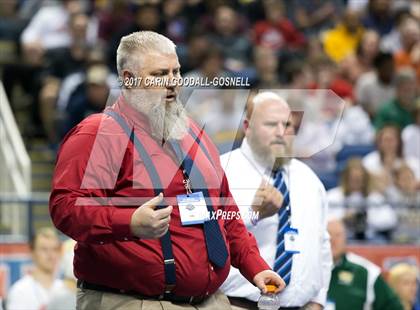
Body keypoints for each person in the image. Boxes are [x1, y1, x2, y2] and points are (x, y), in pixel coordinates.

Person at [49, 31, 284, 309]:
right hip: (131, 301)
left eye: (176, 71)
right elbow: (65, 208)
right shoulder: (100, 133)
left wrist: (254, 266)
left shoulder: (192, 132)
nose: (172, 82)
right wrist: (129, 222)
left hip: (210, 300)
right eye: (159, 74)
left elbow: (225, 211)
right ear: (128, 78)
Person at [220, 92, 332, 309]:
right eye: (271, 124)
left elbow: (322, 244)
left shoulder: (309, 179)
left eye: (288, 125)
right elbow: (204, 238)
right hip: (237, 304)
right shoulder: (222, 171)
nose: (282, 132)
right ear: (247, 126)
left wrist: (318, 299)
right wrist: (254, 214)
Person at [326, 218, 404, 310]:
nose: (332, 241)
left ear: (345, 238)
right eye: (328, 235)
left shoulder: (367, 271)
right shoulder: (307, 270)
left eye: (338, 235)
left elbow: (393, 307)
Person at [327, 158, 397, 241]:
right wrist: (343, 218)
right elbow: (322, 219)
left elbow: (391, 220)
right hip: (342, 237)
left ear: (365, 179)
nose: (356, 182)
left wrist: (367, 219)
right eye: (352, 179)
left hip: (370, 238)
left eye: (359, 179)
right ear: (346, 178)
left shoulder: (375, 197)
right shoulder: (332, 195)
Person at [6, 227, 64, 310]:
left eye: (55, 249)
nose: (51, 255)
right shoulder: (20, 291)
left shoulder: (63, 290)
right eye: (44, 249)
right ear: (33, 252)